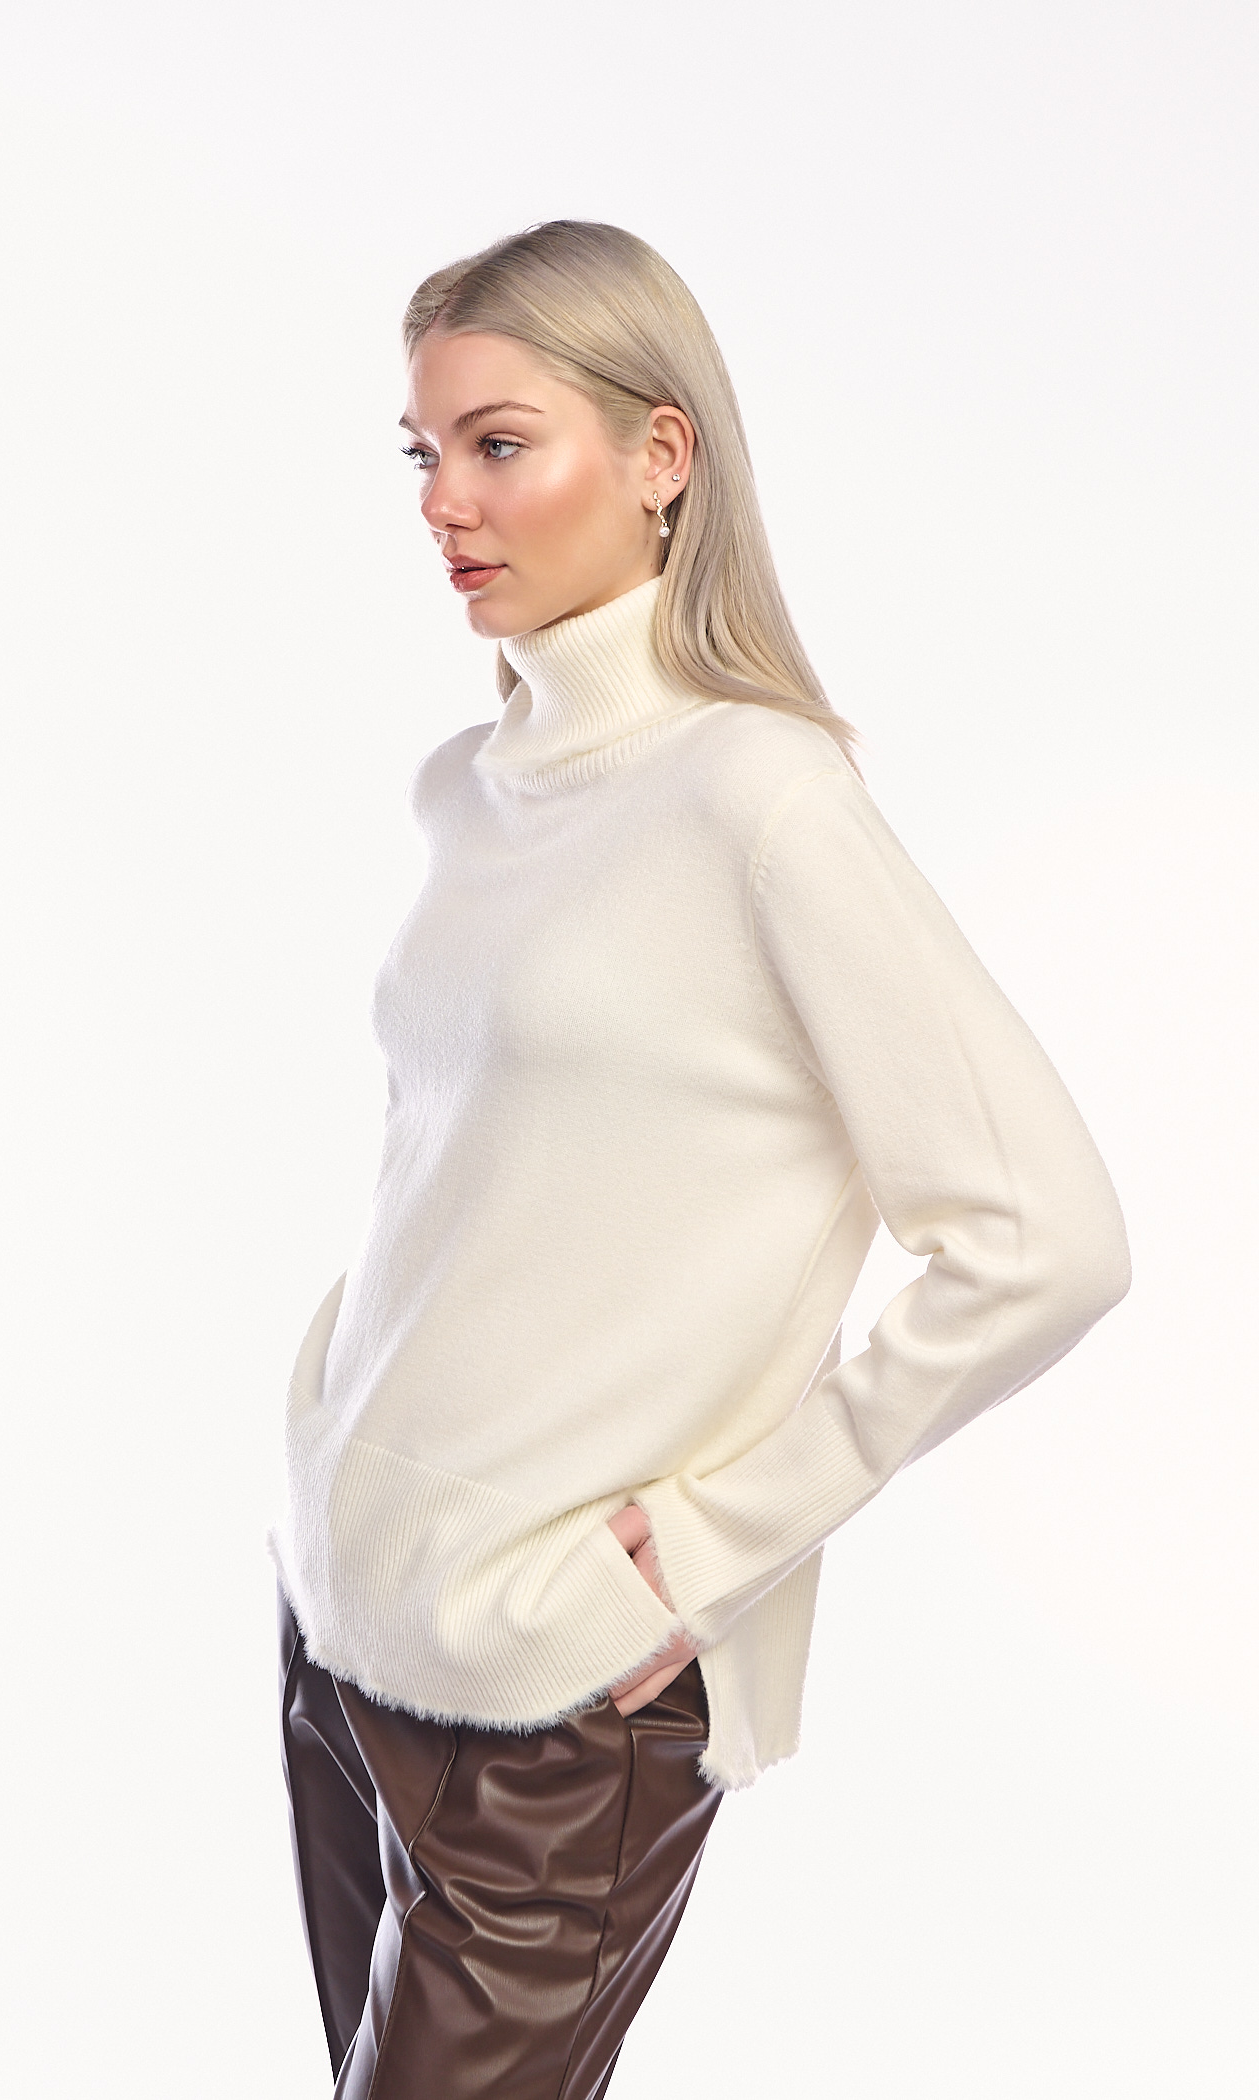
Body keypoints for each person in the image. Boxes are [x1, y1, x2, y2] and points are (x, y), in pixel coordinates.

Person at [269, 220, 1130, 2099]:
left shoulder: (761, 798)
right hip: (344, 1629)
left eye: (501, 445)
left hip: (555, 1696)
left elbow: (1046, 1238)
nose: (443, 503)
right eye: (423, 452)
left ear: (663, 455)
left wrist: (726, 1539)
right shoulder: (467, 787)